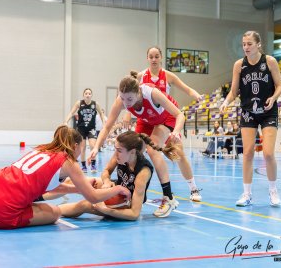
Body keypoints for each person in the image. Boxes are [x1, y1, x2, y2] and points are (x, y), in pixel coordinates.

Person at [0, 126, 130, 229]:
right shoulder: (69, 160)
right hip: (1, 211)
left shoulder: (43, 149)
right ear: (75, 146)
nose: (79, 153)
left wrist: (78, 187)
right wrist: (117, 190)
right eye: (80, 149)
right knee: (54, 212)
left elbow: (46, 186)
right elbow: (93, 197)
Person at [88, 71, 197, 218]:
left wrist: (176, 132)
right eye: (122, 99)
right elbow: (107, 127)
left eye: (129, 99)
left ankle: (168, 197)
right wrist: (96, 147)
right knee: (130, 148)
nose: (126, 104)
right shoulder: (123, 100)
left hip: (168, 118)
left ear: (139, 92)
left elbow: (180, 115)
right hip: (147, 121)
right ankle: (127, 187)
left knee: (152, 149)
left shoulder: (152, 94)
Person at [123, 46, 203, 203]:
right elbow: (129, 97)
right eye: (151, 56)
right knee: (134, 150)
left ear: (161, 58)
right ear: (147, 58)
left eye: (156, 56)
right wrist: (127, 115)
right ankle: (131, 187)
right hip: (146, 120)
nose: (154, 59)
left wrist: (196, 95)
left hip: (165, 118)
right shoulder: (140, 76)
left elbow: (187, 89)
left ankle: (193, 188)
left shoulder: (168, 76)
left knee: (178, 154)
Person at [220, 31, 281, 207]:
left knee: (268, 153)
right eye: (244, 44)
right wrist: (226, 101)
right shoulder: (239, 65)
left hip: (268, 111)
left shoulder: (269, 61)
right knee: (247, 153)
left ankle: (273, 191)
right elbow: (234, 91)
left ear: (258, 45)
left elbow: (279, 86)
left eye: (249, 44)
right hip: (248, 112)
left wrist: (274, 97)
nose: (246, 47)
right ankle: (247, 194)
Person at [60, 131, 179, 220]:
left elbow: (134, 214)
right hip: (119, 189)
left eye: (119, 150)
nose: (116, 153)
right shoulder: (121, 155)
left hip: (126, 202)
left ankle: (54, 211)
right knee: (85, 181)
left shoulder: (143, 173)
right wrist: (106, 181)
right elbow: (106, 171)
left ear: (132, 152)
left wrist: (106, 211)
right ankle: (44, 195)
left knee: (85, 204)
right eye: (115, 149)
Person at [64, 88, 105, 173]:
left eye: (89, 93)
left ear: (91, 95)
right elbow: (72, 112)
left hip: (91, 128)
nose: (88, 95)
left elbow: (101, 113)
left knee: (93, 146)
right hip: (81, 129)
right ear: (83, 95)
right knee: (82, 148)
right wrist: (66, 121)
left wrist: (104, 123)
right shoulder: (79, 103)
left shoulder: (95, 104)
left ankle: (93, 164)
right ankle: (83, 166)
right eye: (86, 93)